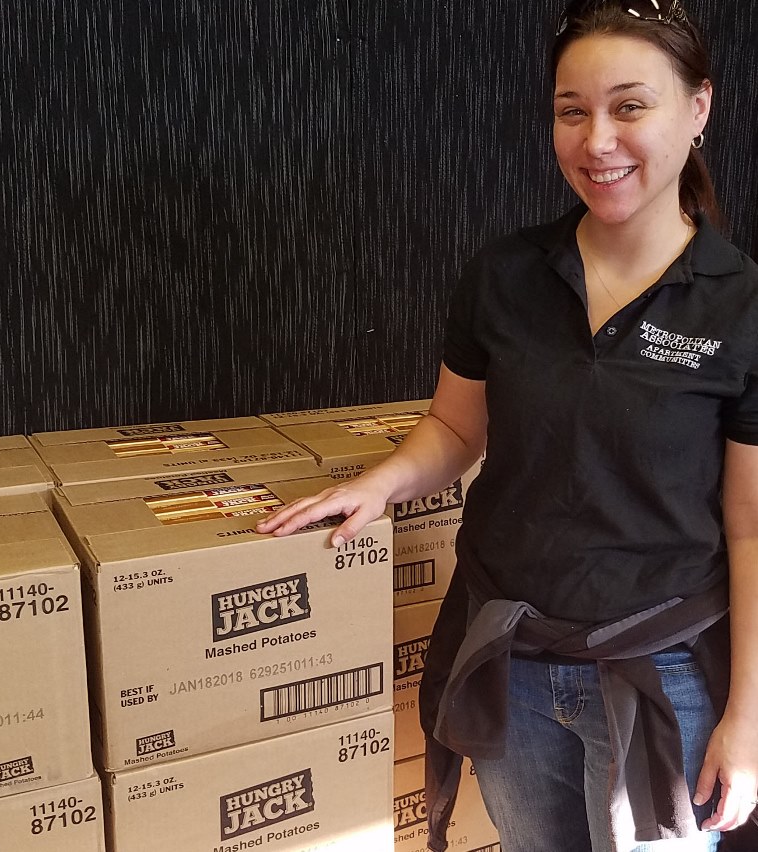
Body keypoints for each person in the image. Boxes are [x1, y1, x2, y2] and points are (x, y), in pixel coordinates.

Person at [257, 1, 758, 849]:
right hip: (510, 661)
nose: (597, 141)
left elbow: (751, 526)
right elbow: (456, 430)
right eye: (573, 111)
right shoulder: (506, 274)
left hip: (662, 673)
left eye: (630, 106)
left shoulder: (741, 306)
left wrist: (748, 717)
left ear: (699, 107)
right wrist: (378, 485)